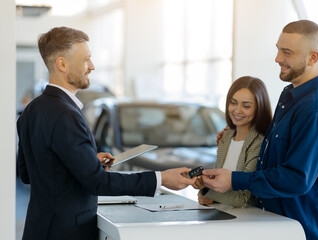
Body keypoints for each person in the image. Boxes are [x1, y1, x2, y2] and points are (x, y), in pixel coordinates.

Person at [17, 27, 196, 240]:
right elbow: (98, 183)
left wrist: (86, 162)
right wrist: (161, 178)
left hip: (39, 229)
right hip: (66, 232)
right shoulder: (67, 114)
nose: (92, 67)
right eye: (86, 60)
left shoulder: (32, 109)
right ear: (62, 64)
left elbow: (29, 173)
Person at [202, 20, 318, 240]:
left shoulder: (317, 110)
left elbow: (297, 178)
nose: (278, 58)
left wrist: (234, 180)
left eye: (286, 52)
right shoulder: (289, 97)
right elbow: (274, 150)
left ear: (313, 57)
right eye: (278, 50)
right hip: (276, 226)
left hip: (305, 231)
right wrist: (238, 132)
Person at [192, 76, 272, 207]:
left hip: (247, 221)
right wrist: (204, 184)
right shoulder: (226, 137)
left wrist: (207, 191)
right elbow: (217, 185)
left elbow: (243, 198)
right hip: (224, 217)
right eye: (233, 102)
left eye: (246, 106)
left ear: (259, 108)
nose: (237, 110)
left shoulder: (259, 142)